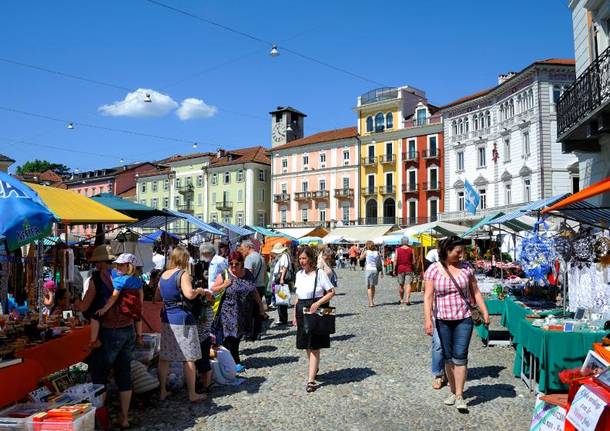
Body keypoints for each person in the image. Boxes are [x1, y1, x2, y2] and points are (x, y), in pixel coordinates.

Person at [423, 236, 490, 413]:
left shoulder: (467, 268)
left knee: (460, 355)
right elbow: (428, 296)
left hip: (464, 318)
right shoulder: (433, 270)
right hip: (443, 319)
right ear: (447, 251)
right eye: (457, 252)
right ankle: (453, 391)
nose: (461, 255)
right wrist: (428, 319)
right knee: (448, 356)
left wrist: (484, 310)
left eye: (462, 252)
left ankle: (460, 395)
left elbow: (475, 291)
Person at [81, 245, 135, 429]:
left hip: (108, 330)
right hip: (128, 329)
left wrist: (76, 305)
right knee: (124, 373)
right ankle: (125, 417)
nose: (96, 266)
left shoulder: (97, 278)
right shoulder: (125, 275)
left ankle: (100, 418)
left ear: (102, 263)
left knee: (100, 374)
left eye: (97, 263)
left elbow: (84, 305)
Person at [157, 247, 208, 402]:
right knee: (189, 358)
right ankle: (192, 394)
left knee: (164, 357)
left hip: (167, 319)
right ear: (184, 259)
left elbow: (157, 296)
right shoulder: (182, 274)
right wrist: (199, 291)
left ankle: (162, 391)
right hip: (183, 320)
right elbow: (189, 294)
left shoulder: (163, 275)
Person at [211, 251, 265, 372]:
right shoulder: (225, 274)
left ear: (242, 263)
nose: (234, 267)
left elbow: (254, 291)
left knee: (238, 336)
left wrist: (261, 307)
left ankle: (227, 361)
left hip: (244, 312)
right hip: (228, 311)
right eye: (231, 264)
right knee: (231, 338)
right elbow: (213, 289)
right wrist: (224, 285)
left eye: (237, 264)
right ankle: (235, 362)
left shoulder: (248, 274)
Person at [292, 246, 335, 393]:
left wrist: (318, 303)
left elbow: (331, 292)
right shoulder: (299, 274)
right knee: (306, 344)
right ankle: (314, 367)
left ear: (311, 259)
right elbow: (297, 297)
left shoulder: (319, 273)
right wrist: (294, 316)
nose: (302, 261)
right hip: (301, 310)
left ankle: (311, 380)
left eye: (304, 258)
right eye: (300, 258)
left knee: (314, 345)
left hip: (315, 308)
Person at [93, 253, 144, 349]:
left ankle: (93, 341)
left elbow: (113, 297)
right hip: (131, 321)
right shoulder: (138, 280)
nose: (118, 267)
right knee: (126, 360)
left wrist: (104, 309)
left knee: (108, 359)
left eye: (121, 265)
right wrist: (140, 309)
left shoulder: (120, 281)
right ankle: (139, 336)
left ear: (129, 266)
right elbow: (141, 298)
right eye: (117, 264)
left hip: (117, 322)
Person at [270, 243, 293, 325]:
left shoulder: (284, 256)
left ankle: (282, 319)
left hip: (280, 280)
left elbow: (284, 267)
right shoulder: (284, 255)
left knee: (281, 300)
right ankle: (282, 319)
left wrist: (282, 278)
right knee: (281, 300)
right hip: (280, 279)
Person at [240, 239, 267, 306]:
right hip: (261, 286)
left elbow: (248, 274)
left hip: (253, 288)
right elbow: (264, 273)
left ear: (247, 247)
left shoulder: (249, 258)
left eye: (243, 249)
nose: (242, 251)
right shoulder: (261, 257)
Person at [394, 237, 415, 306]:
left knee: (401, 285)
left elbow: (395, 260)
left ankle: (401, 299)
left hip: (400, 269)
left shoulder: (397, 250)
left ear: (401, 242)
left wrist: (394, 269)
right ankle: (407, 300)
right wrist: (414, 268)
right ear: (408, 242)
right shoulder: (411, 249)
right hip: (409, 268)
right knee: (408, 284)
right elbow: (414, 261)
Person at [361, 241, 382, 307]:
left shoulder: (366, 252)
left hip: (369, 270)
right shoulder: (377, 252)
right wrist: (382, 272)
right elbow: (380, 262)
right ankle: (372, 300)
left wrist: (363, 250)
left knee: (369, 287)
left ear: (367, 246)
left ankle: (371, 302)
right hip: (375, 270)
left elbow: (360, 258)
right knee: (373, 286)